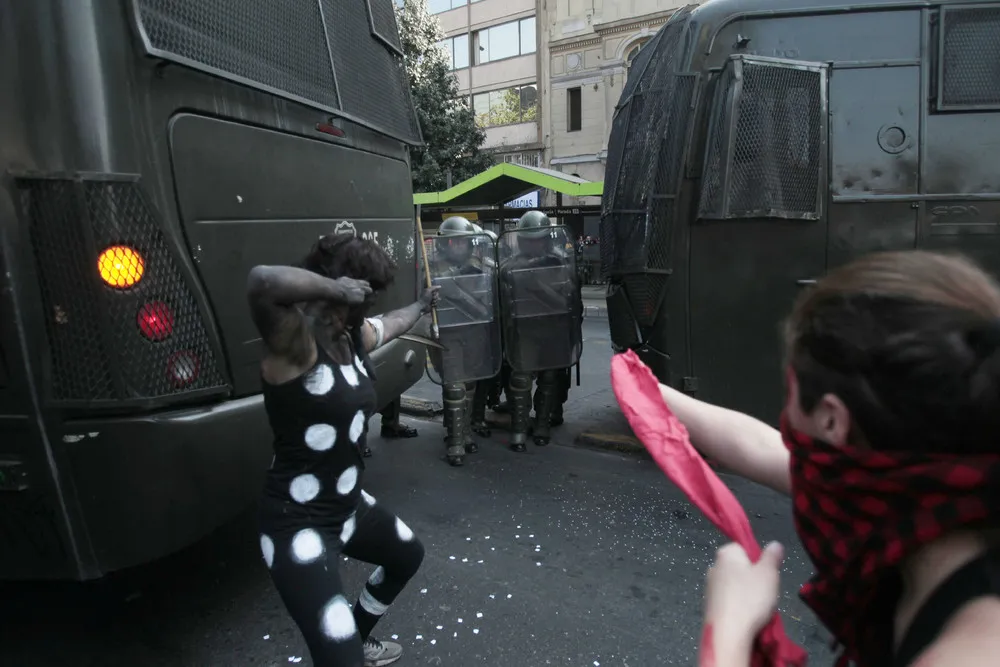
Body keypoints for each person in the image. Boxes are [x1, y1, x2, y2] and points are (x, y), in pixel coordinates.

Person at [653, 251, 1000, 667]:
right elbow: (759, 445)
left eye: (792, 387)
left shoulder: (973, 648)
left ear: (831, 419)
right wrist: (641, 389)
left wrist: (730, 624)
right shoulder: (935, 486)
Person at [247, 233, 439, 667]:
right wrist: (337, 289)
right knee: (338, 658)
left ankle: (360, 638)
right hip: (298, 524)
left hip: (346, 507)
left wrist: (423, 305)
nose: (367, 310)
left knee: (407, 555)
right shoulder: (295, 344)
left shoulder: (350, 338)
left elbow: (394, 323)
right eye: (363, 297)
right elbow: (261, 282)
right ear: (341, 292)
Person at [498, 211, 583, 451]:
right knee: (520, 380)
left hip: (552, 329)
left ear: (546, 239)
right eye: (529, 239)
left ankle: (542, 424)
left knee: (549, 379)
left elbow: (570, 300)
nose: (533, 243)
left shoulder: (559, 263)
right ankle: (519, 428)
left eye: (538, 239)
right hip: (523, 330)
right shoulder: (509, 266)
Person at [428, 216, 500, 466]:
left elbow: (490, 304)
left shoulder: (485, 266)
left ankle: (465, 431)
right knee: (454, 387)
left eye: (462, 242)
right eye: (452, 242)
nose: (457, 246)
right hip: (449, 335)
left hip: (475, 333)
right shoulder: (430, 269)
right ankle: (455, 440)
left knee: (469, 387)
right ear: (444, 244)